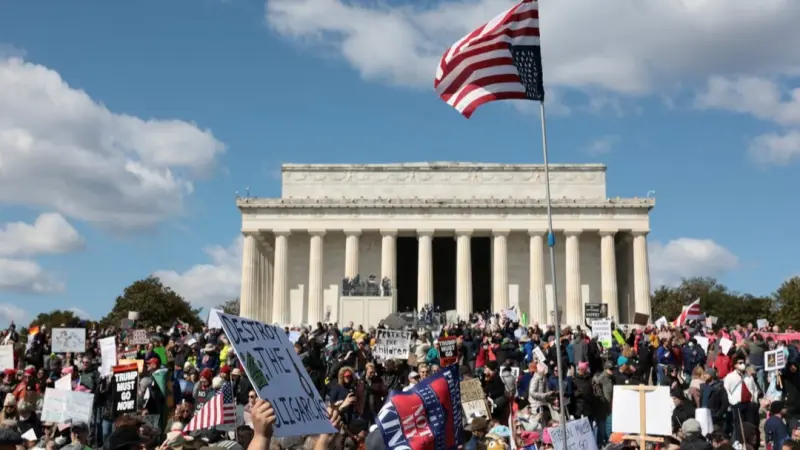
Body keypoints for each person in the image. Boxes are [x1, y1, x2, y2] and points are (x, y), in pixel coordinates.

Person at [724, 355, 759, 447]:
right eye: (740, 363)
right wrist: (733, 402)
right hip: (737, 405)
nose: (742, 365)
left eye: (743, 362)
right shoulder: (730, 377)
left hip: (749, 404)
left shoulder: (749, 377)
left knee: (751, 426)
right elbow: (727, 391)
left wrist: (754, 400)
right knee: (739, 426)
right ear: (735, 365)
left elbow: (755, 389)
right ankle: (738, 444)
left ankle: (750, 445)